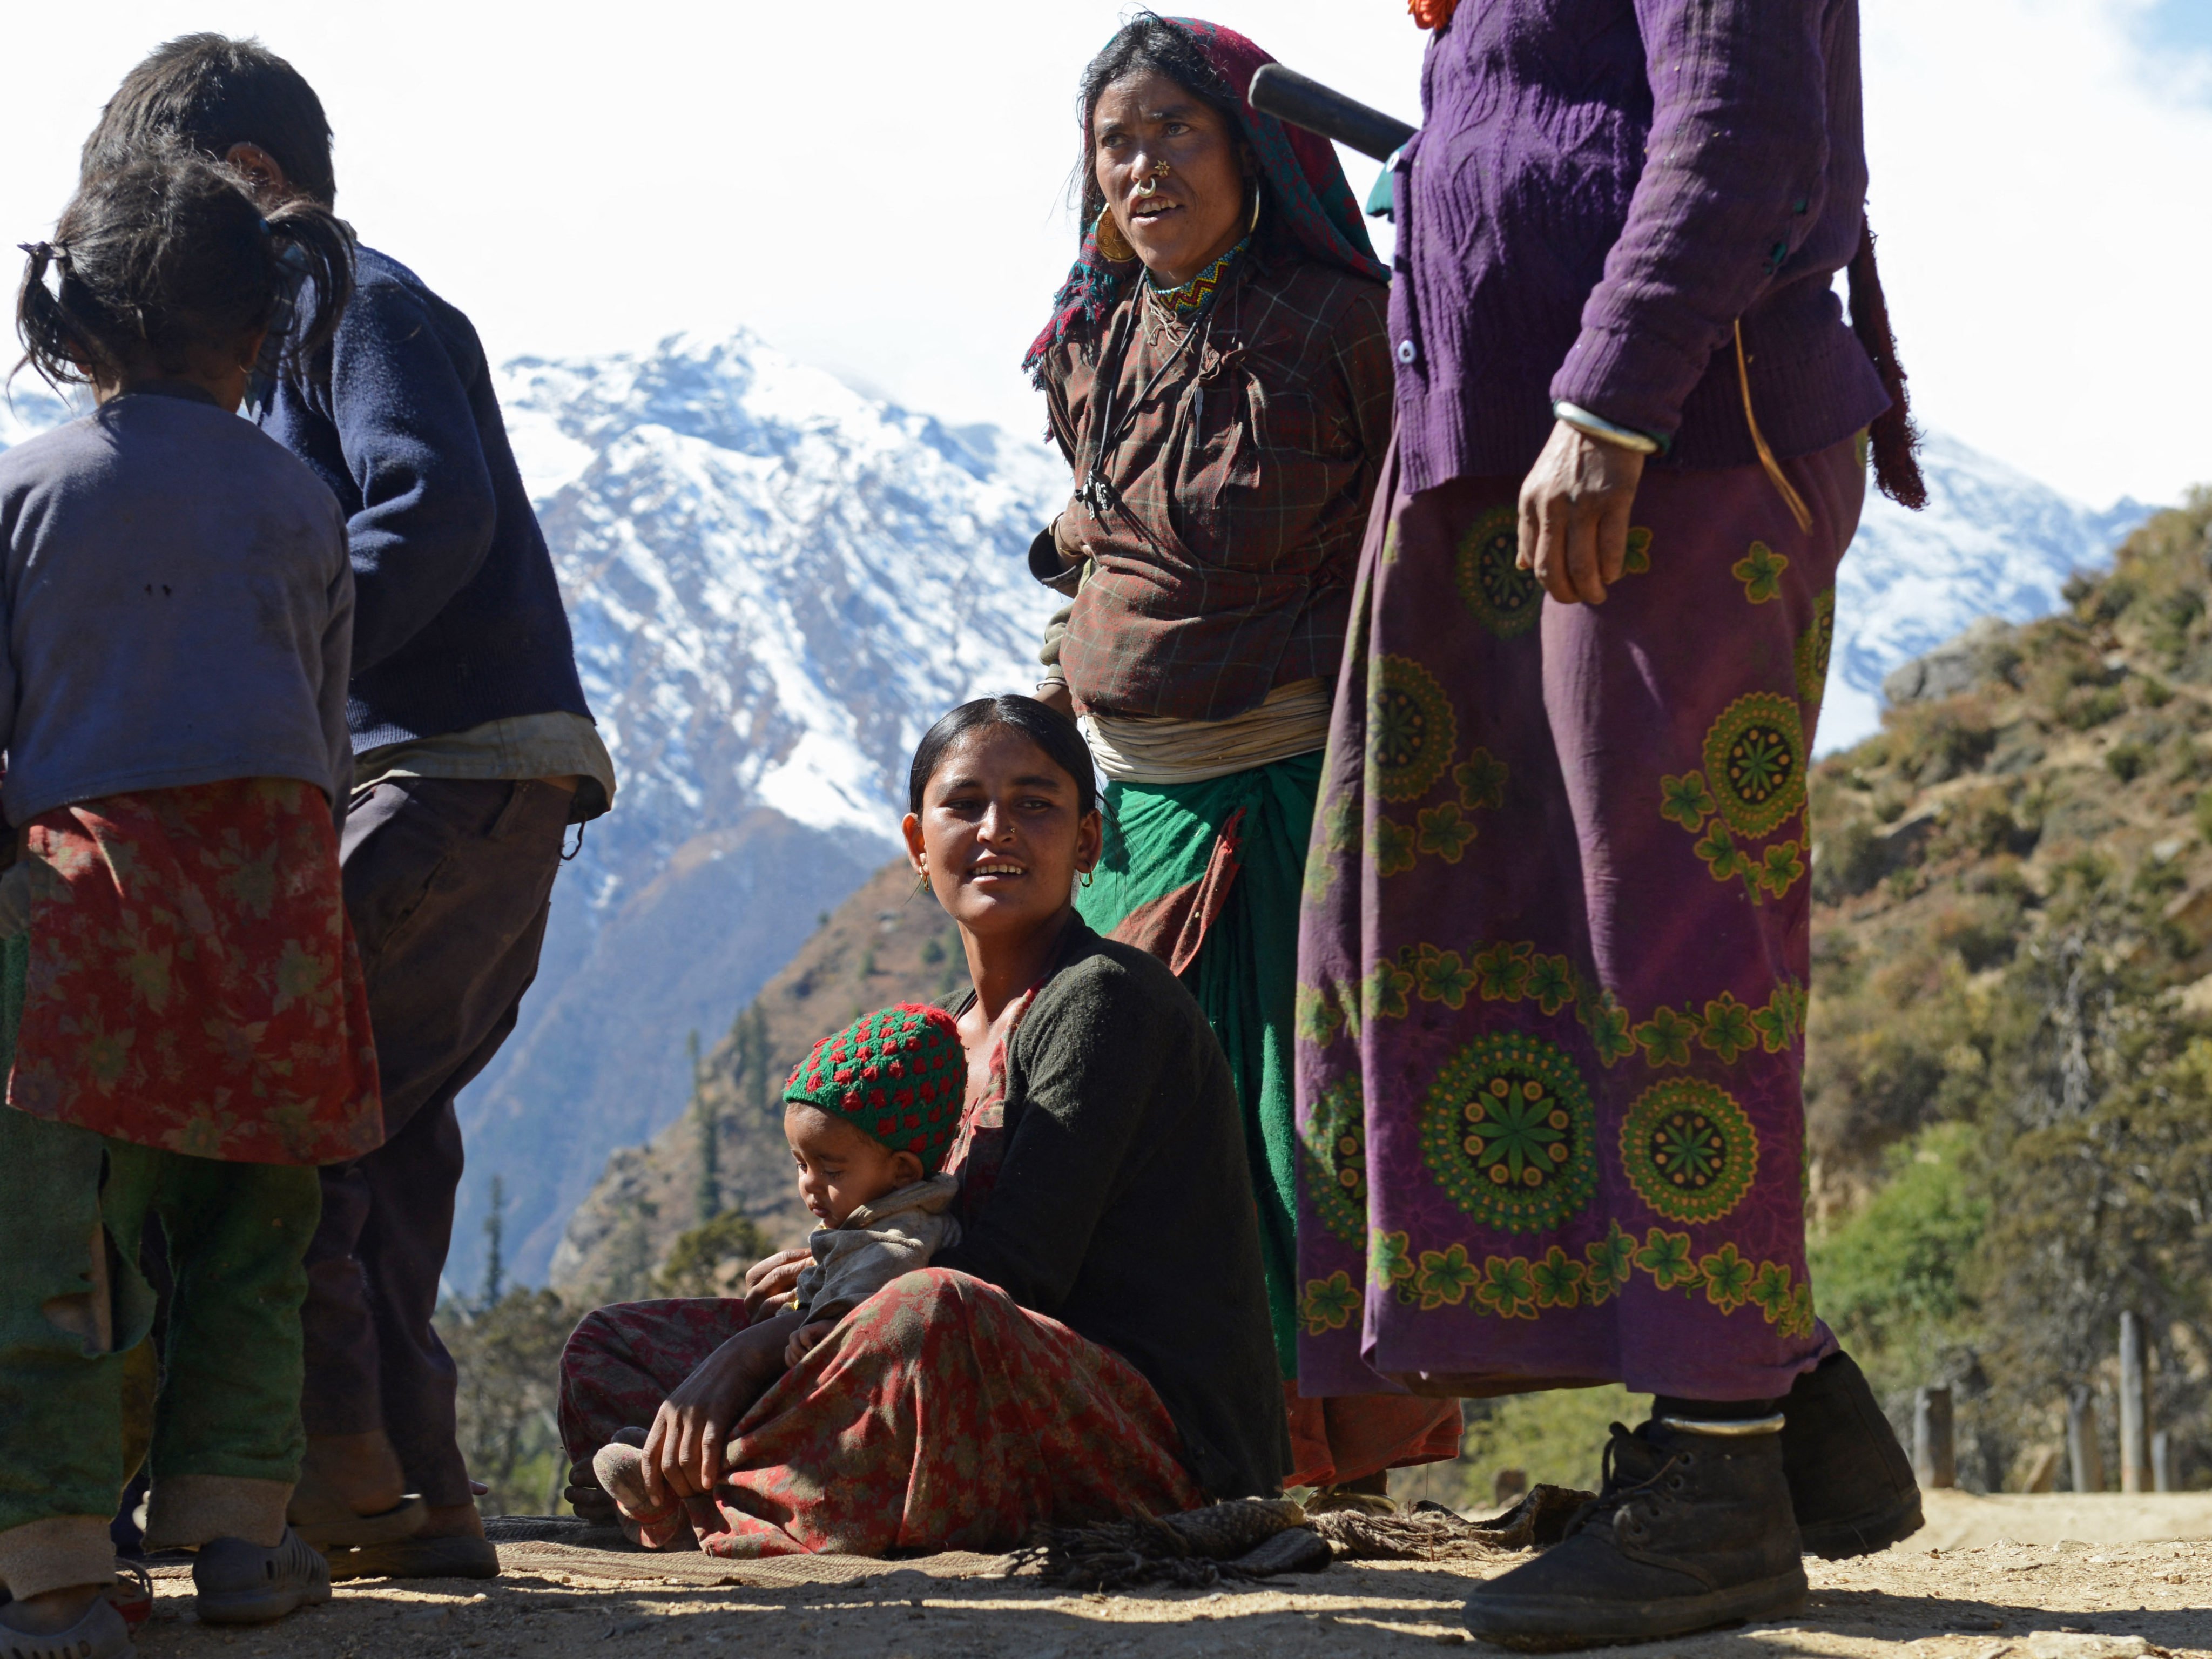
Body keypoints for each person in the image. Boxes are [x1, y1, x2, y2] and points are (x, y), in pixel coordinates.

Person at [1292, 0, 1926, 1644]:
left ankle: (1716, 1479)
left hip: (1668, 446)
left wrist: (1614, 401)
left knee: (1671, 945)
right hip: (1527, 458)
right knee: (1530, 933)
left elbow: (1737, 119)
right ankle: (1792, 1409)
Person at [80, 34, 618, 1581]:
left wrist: (273, 666)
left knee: (279, 1115)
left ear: (245, 185)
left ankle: (339, 1478)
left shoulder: (347, 304)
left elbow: (429, 501)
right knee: (380, 1137)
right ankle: (421, 1497)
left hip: (443, 779)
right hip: (471, 797)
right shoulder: (307, 329)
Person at [1024, 13, 1460, 1500]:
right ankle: (1178, 1440)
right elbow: (1103, 516)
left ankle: (1321, 1452)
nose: (1144, 167)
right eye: (1118, 140)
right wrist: (1070, 548)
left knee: (1290, 1139)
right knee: (1150, 1150)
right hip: (1135, 809)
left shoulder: (1344, 325)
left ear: (1257, 151)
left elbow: (1419, 534)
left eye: (1177, 132)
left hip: (1294, 798)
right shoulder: (1091, 330)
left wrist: (1087, 532)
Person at [557, 696, 1288, 1557]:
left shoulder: (1105, 999)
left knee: (930, 1311)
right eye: (965, 804)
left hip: (1143, 1435)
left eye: (1036, 804)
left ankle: (701, 1494)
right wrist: (842, 1272)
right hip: (947, 1381)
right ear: (916, 843)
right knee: (615, 1346)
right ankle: (751, 1492)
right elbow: (923, 1220)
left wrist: (759, 1353)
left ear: (1088, 841)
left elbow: (1019, 1273)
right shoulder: (944, 1038)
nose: (998, 830)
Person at [0, 150, 366, 1653]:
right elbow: (326, 739)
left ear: (77, 327)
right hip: (281, 927)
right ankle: (238, 1543)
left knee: (58, 1251)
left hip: (87, 934)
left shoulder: (26, 487)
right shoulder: (298, 499)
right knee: (250, 1245)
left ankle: (60, 1570)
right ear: (256, 335)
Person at [587, 1003, 966, 1549]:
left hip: (850, 1396)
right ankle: (661, 1477)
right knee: (606, 1340)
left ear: (902, 1170)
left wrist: (827, 1325)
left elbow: (885, 1276)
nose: (809, 1187)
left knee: (772, 1429)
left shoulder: (904, 1226)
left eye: (831, 1171)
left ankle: (675, 1509)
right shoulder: (867, 1214)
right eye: (800, 1164)